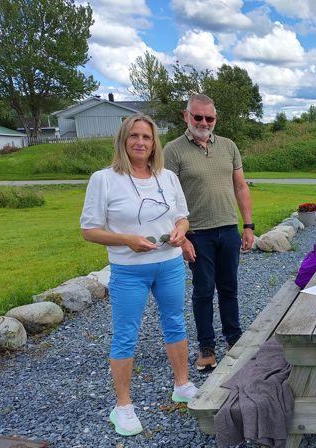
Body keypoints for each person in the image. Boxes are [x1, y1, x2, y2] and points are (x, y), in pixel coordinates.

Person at [80, 114, 197, 436]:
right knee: (125, 334)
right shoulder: (104, 179)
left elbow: (182, 217)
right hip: (129, 270)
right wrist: (126, 240)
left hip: (170, 263)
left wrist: (179, 231)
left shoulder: (168, 177)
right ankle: (123, 406)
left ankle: (182, 384)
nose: (141, 143)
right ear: (123, 140)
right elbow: (89, 230)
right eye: (134, 136)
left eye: (147, 137)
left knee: (175, 321)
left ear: (154, 143)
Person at [163, 94, 255, 372]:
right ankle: (206, 345)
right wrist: (180, 240)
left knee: (229, 288)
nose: (203, 122)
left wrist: (248, 225)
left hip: (227, 228)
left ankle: (233, 338)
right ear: (186, 116)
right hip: (196, 233)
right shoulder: (173, 150)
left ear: (216, 119)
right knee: (203, 290)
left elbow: (240, 187)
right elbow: (166, 198)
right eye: (198, 117)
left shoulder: (228, 146)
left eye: (209, 118)